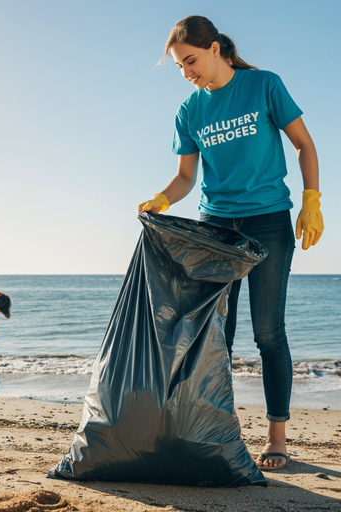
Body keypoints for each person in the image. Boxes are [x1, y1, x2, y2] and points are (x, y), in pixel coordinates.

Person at [138, 15, 324, 471]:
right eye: (180, 66)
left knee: (268, 332)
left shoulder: (263, 85)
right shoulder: (190, 111)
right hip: (216, 228)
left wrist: (311, 200)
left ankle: (277, 438)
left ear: (216, 48)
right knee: (217, 335)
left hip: (268, 222)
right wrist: (162, 198)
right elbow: (186, 177)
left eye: (191, 61)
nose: (187, 73)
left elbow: (303, 143)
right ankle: (218, 430)